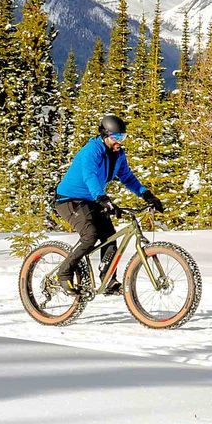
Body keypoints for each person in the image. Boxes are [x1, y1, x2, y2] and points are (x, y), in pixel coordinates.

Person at [49, 113, 165, 293]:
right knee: (90, 235)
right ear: (105, 136)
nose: (120, 141)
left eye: (123, 137)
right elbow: (90, 176)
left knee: (110, 237)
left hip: (91, 200)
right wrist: (102, 198)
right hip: (69, 200)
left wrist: (147, 195)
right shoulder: (91, 151)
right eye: (116, 137)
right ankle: (63, 273)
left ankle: (108, 279)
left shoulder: (118, 154)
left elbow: (127, 177)